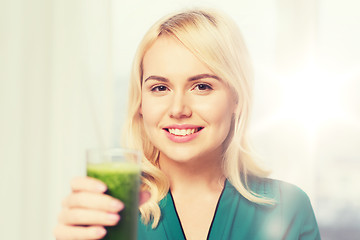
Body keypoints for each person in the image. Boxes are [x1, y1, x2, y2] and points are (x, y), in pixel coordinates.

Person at [54, 9, 321, 240]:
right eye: (160, 88)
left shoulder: (288, 208)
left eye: (201, 86)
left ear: (237, 99)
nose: (178, 109)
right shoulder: (113, 210)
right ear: (140, 104)